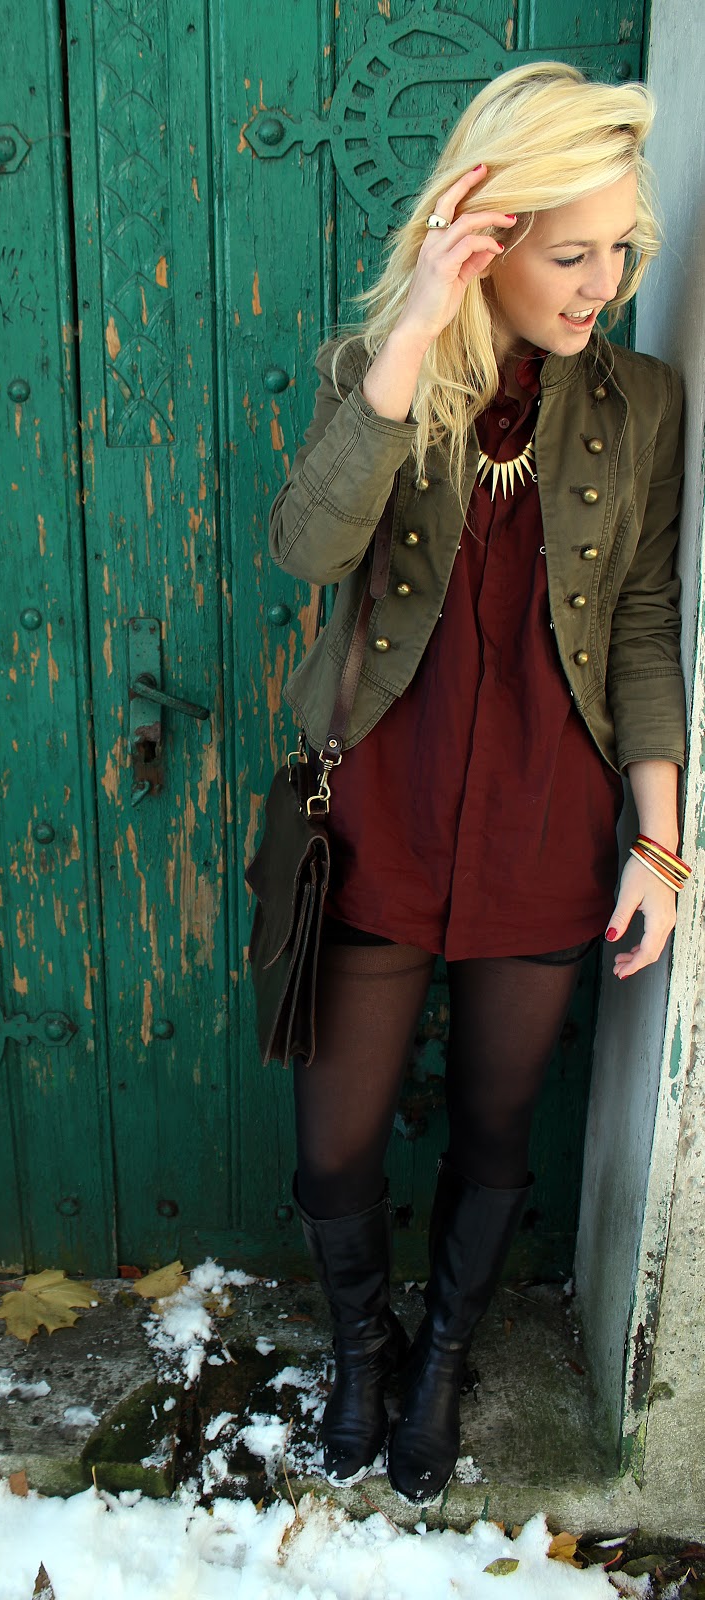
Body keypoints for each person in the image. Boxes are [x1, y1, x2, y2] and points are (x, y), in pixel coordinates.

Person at [267, 61, 688, 1504]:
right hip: (383, 806)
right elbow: (309, 549)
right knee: (335, 1149)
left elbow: (644, 621)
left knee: (498, 1129)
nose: (605, 283)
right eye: (571, 253)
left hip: (543, 819)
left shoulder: (642, 403)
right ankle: (362, 1347)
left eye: (620, 248)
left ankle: (442, 1360)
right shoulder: (381, 372)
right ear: (490, 239)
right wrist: (414, 333)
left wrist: (659, 841)